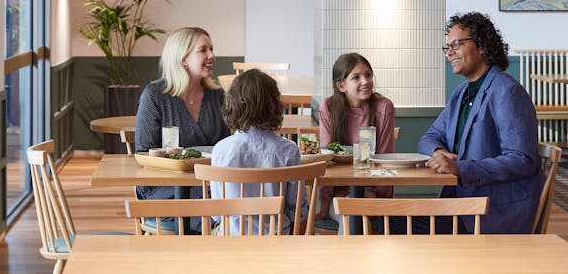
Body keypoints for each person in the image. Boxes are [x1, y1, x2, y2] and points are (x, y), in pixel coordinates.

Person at [418, 12, 543, 234]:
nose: (449, 52)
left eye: (456, 43)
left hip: (494, 211)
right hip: (462, 205)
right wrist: (438, 151)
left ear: (482, 46)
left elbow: (522, 160)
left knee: (384, 227)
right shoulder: (462, 92)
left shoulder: (507, 92)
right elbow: (429, 137)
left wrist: (459, 167)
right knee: (378, 222)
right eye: (447, 47)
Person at [135, 26, 231, 204]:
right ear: (183, 59)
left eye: (212, 49)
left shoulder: (217, 96)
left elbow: (224, 147)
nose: (212, 56)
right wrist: (181, 164)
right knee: (221, 207)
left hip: (209, 185)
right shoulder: (154, 95)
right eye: (203, 50)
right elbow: (144, 153)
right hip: (164, 186)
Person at [211, 70, 304, 234]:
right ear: (274, 105)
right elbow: (297, 208)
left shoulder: (221, 150)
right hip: (278, 239)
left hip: (231, 240)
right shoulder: (289, 151)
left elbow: (217, 213)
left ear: (233, 104)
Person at [316, 53, 395, 225]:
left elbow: (385, 159)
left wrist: (373, 193)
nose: (366, 81)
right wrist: (324, 204)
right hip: (339, 196)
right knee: (350, 216)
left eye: (368, 74)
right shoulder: (328, 107)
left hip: (374, 195)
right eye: (356, 77)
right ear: (342, 86)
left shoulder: (384, 107)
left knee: (353, 215)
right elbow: (326, 160)